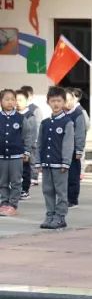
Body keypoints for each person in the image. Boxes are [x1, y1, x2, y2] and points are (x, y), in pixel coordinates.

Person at [33, 87, 74, 229]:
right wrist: (38, 161)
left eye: (59, 101)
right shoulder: (45, 123)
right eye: (53, 101)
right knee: (47, 190)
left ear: (64, 102)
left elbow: (68, 144)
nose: (56, 104)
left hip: (60, 164)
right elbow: (39, 144)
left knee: (61, 192)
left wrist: (66, 162)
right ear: (48, 102)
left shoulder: (67, 122)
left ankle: (60, 216)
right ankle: (49, 215)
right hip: (46, 163)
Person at [0, 88, 33, 216]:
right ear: (1, 101)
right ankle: (4, 203)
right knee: (2, 181)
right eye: (6, 99)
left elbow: (28, 136)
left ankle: (13, 204)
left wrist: (27, 151)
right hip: (1, 156)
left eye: (12, 99)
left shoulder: (20, 118)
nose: (10, 102)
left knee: (15, 181)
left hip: (16, 156)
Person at [64, 87, 88, 208]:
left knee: (73, 176)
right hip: (61, 151)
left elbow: (80, 133)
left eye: (70, 99)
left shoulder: (78, 114)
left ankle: (72, 199)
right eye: (65, 100)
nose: (68, 103)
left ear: (74, 99)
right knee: (62, 177)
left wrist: (79, 149)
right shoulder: (60, 113)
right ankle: (63, 198)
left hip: (74, 151)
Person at [16, 87, 38, 199]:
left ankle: (25, 190)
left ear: (26, 101)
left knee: (25, 170)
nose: (18, 103)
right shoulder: (13, 114)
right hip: (14, 148)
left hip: (26, 148)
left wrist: (28, 150)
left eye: (21, 100)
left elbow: (32, 134)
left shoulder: (30, 116)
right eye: (16, 100)